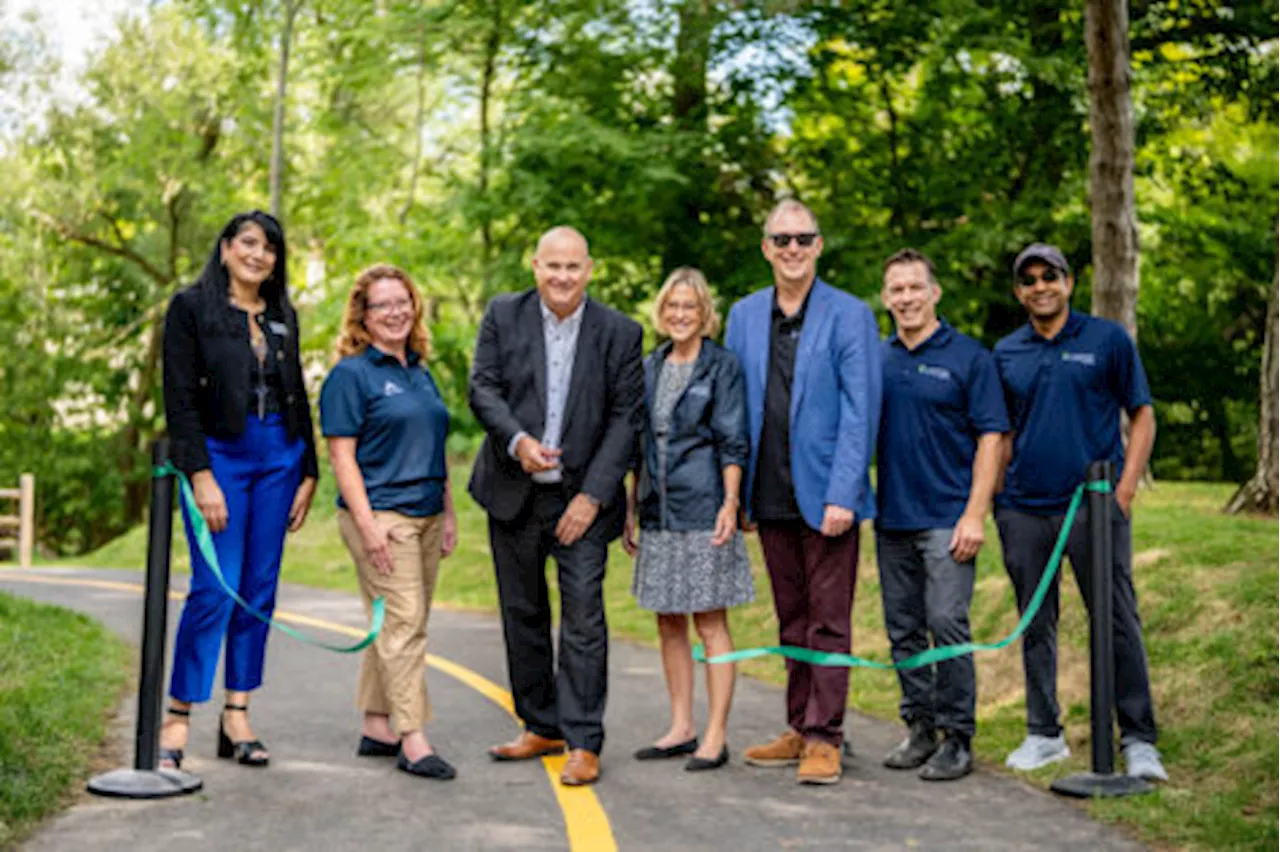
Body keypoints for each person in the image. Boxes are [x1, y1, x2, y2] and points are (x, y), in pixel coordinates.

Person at [468, 226, 644, 787]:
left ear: (589, 269)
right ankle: (540, 724)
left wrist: (593, 496)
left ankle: (584, 740)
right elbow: (483, 389)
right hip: (512, 490)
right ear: (535, 267)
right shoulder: (503, 314)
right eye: (553, 266)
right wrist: (518, 442)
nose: (562, 277)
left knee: (584, 618)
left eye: (573, 267)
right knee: (522, 613)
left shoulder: (620, 331)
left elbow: (626, 419)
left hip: (581, 500)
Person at [993, 242, 1166, 781]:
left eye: (1051, 276)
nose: (1041, 286)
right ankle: (1044, 734)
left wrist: (1125, 491)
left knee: (1115, 618)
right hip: (1024, 508)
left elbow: (1141, 416)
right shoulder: (1006, 352)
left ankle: (1138, 739)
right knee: (1036, 623)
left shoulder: (1106, 339)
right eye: (1030, 279)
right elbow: (1000, 435)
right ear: (1020, 291)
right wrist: (994, 503)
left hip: (1094, 507)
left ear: (1068, 282)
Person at [725, 199, 882, 785]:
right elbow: (734, 405)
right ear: (766, 248)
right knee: (790, 617)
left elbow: (860, 409)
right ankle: (798, 725)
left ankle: (826, 735)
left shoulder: (850, 314)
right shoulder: (743, 315)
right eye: (781, 239)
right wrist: (735, 494)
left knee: (829, 620)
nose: (792, 249)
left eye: (803, 238)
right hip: (767, 492)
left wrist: (845, 491)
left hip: (827, 496)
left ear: (819, 246)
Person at [159, 210, 318, 769]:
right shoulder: (190, 308)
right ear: (225, 248)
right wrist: (200, 475)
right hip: (219, 455)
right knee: (214, 588)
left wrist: (310, 472)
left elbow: (296, 391)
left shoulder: (282, 315)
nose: (259, 254)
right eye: (248, 243)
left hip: (280, 456)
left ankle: (237, 714)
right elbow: (179, 400)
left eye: (269, 247)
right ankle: (178, 716)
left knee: (259, 588)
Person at [874, 248, 1009, 782]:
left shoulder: (969, 358)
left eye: (915, 287)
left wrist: (975, 514)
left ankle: (958, 737)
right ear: (886, 299)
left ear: (935, 293)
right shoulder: (876, 359)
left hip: (948, 518)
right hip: (892, 519)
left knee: (947, 623)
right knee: (903, 630)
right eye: (896, 290)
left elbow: (992, 439)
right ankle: (920, 728)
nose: (906, 297)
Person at [320, 264, 459, 781]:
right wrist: (369, 524)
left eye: (403, 301)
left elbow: (434, 445)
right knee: (404, 625)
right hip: (381, 515)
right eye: (382, 305)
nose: (395, 312)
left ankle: (378, 724)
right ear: (363, 315)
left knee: (403, 622)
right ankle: (413, 738)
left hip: (425, 514)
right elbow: (342, 458)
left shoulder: (420, 370)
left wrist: (446, 513)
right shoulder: (350, 375)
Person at [623, 267, 752, 773]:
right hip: (658, 512)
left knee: (710, 622)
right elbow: (640, 446)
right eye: (672, 307)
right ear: (662, 312)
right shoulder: (649, 366)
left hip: (704, 509)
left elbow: (733, 440)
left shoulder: (722, 367)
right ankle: (681, 726)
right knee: (668, 621)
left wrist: (730, 503)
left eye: (690, 307)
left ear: (704, 314)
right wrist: (633, 508)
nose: (680, 315)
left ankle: (715, 735)